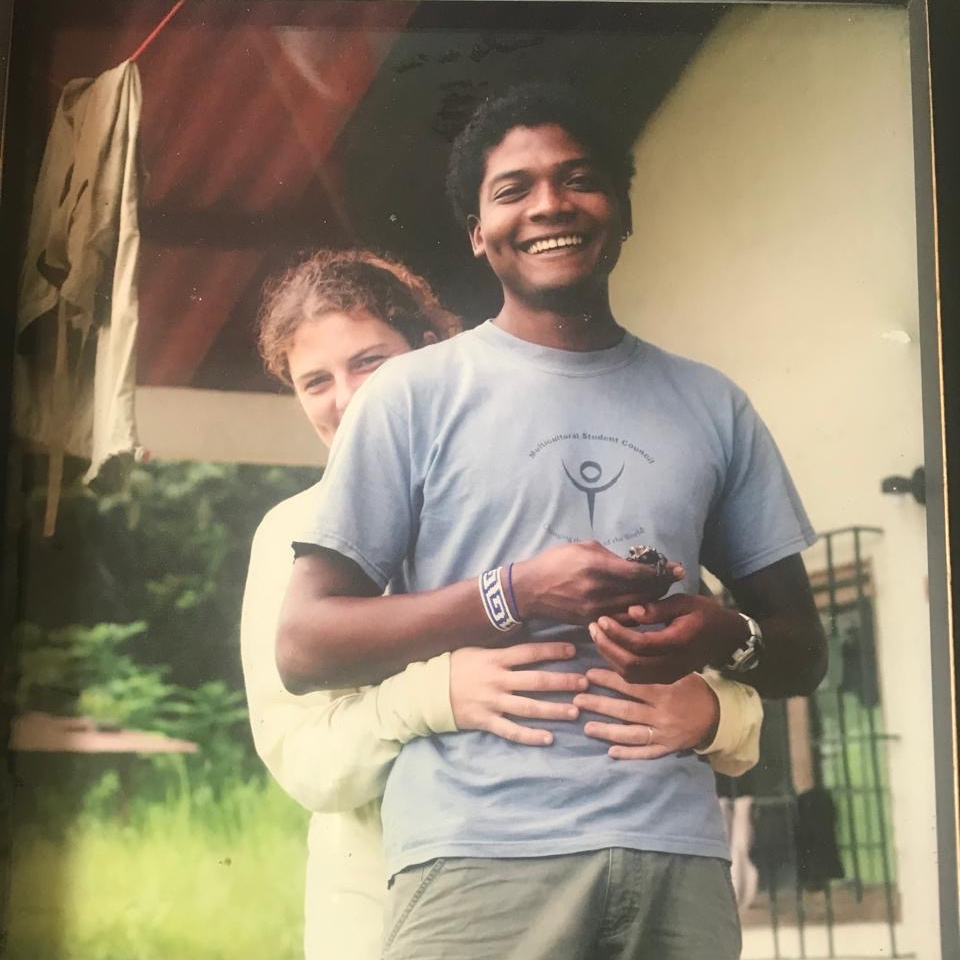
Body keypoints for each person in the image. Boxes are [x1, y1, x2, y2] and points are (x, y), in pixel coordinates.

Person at [278, 84, 828, 959]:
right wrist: (512, 593)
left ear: (622, 208)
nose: (549, 206)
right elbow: (305, 645)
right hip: (473, 860)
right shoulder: (410, 399)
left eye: (579, 179)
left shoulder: (713, 405)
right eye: (513, 189)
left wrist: (719, 630)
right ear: (476, 230)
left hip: (676, 857)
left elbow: (804, 646)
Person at [240, 248, 763, 960]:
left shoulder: (517, 489)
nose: (346, 398)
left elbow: (673, 649)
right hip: (396, 902)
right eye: (314, 382)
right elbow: (303, 757)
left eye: (370, 363)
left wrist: (718, 714)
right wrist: (433, 694)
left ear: (430, 355)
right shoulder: (292, 536)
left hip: (623, 863)